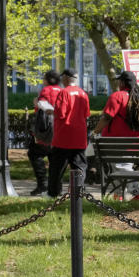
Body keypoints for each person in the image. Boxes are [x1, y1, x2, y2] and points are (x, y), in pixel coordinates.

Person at [90, 71, 139, 201]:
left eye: (119, 81)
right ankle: (118, 196)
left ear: (122, 82)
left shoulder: (118, 96)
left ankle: (138, 194)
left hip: (116, 142)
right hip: (134, 141)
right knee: (117, 168)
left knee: (122, 168)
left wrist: (95, 132)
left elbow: (106, 117)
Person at [48, 69, 90, 197]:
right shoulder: (83, 94)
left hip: (63, 137)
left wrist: (50, 111)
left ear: (66, 77)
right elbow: (86, 114)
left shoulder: (64, 92)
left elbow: (61, 113)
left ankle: (53, 193)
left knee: (57, 168)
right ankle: (77, 193)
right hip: (80, 137)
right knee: (79, 167)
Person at [28, 70, 61, 196]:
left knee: (34, 153)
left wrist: (36, 102)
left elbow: (42, 106)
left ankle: (42, 185)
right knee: (54, 157)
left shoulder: (46, 90)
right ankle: (56, 186)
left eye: (44, 78)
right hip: (58, 128)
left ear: (48, 80)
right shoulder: (61, 90)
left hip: (46, 129)